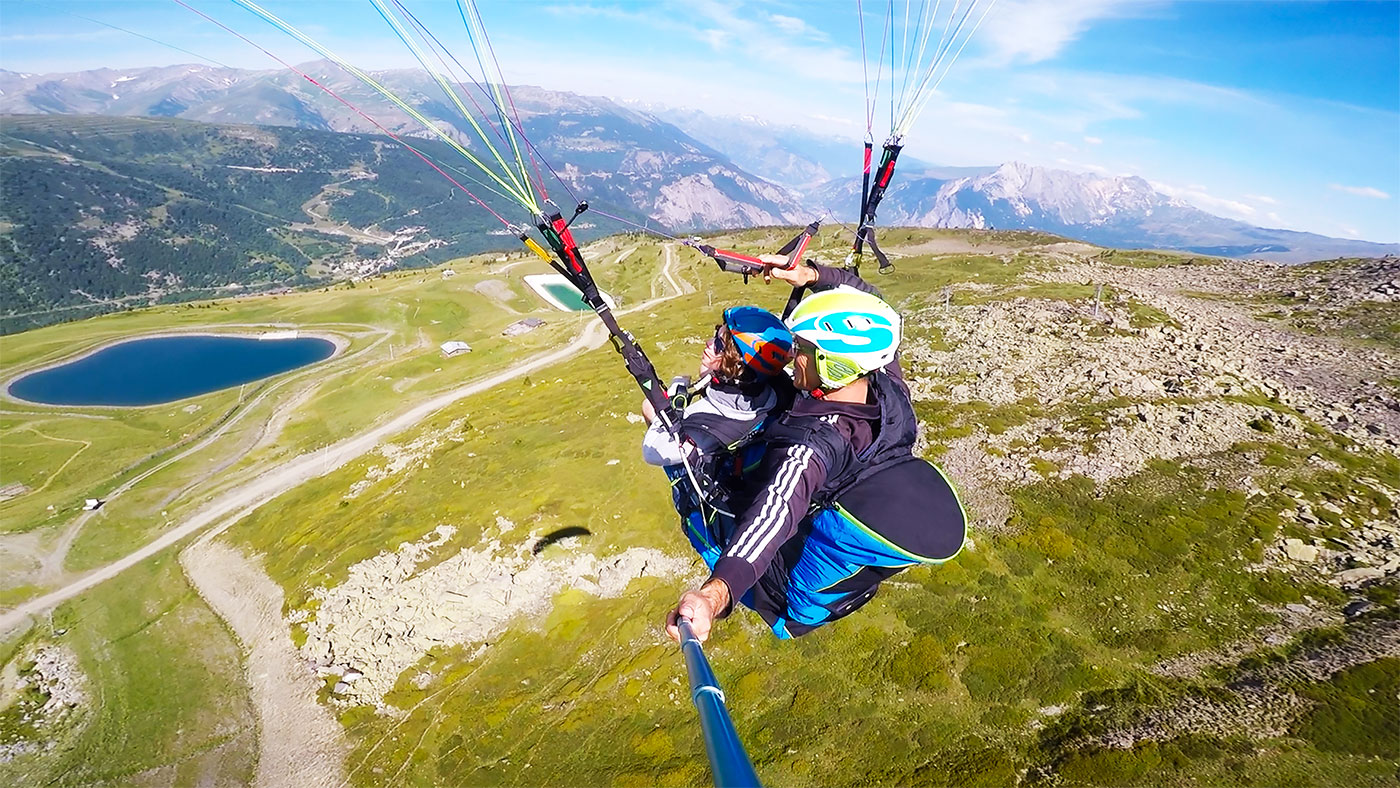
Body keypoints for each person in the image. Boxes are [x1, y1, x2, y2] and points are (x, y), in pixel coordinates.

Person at [666, 260, 967, 643]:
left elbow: (773, 514)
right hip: (855, 483)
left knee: (687, 473)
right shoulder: (889, 390)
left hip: (777, 587)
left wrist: (714, 596)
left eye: (804, 349)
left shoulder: (815, 446)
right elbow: (874, 308)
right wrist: (812, 277)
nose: (793, 357)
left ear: (832, 364)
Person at [641, 306, 796, 568]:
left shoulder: (712, 422)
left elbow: (653, 450)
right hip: (743, 442)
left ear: (737, 367)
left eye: (719, 343)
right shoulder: (777, 388)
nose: (708, 343)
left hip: (711, 479)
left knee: (648, 408)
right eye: (716, 334)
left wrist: (678, 389)